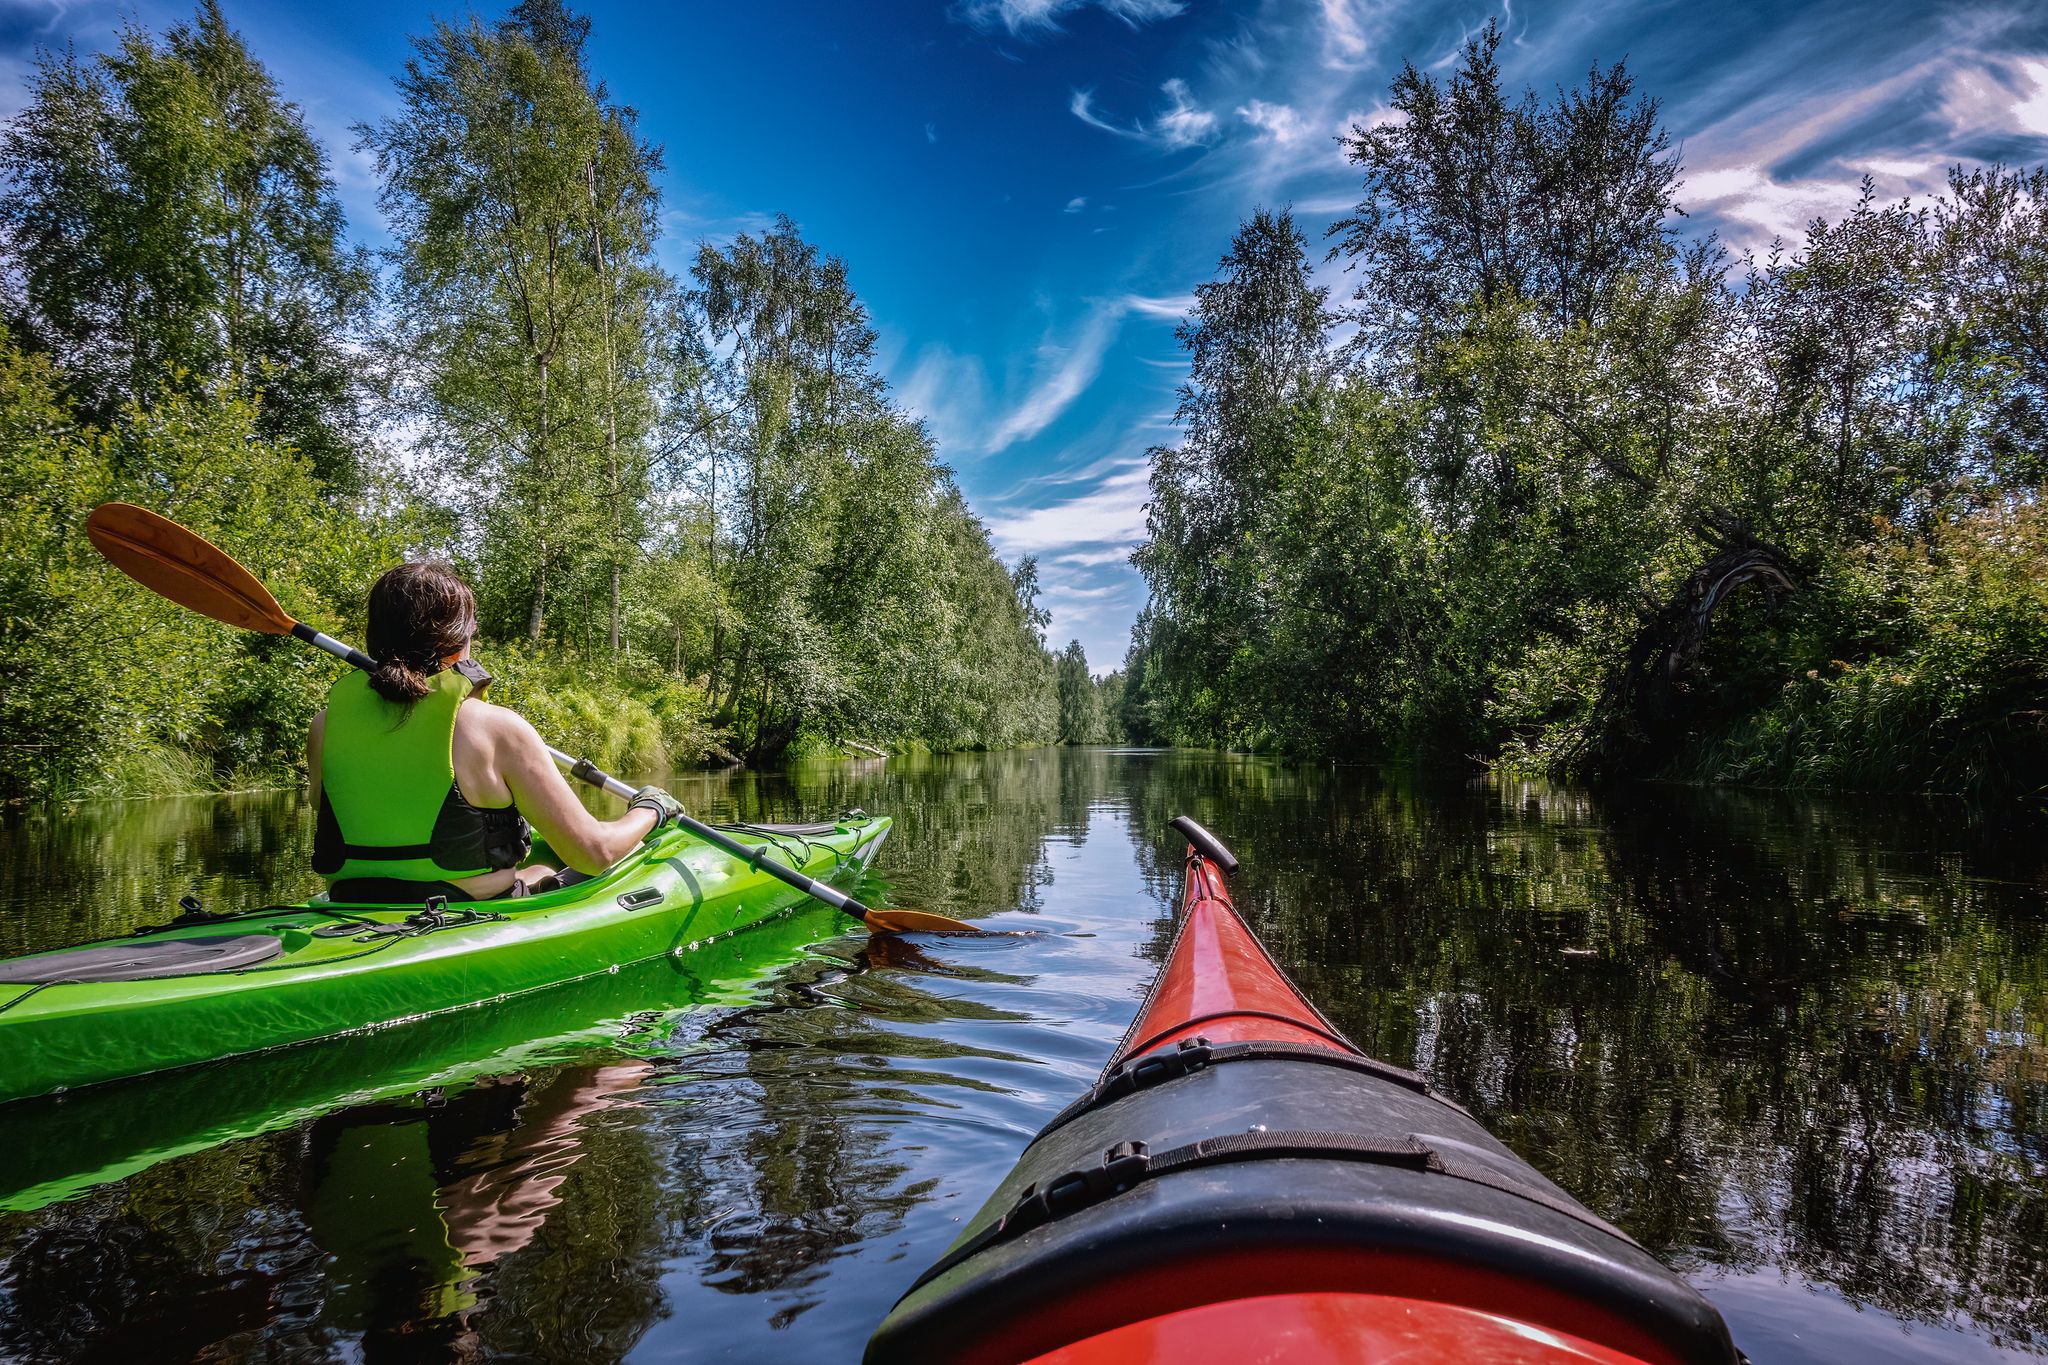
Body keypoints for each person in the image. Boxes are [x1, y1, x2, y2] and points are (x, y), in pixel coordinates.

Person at [306, 562, 682, 903]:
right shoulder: (495, 728)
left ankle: (542, 878)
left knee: (544, 860)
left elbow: (331, 808)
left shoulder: (325, 724)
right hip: (466, 906)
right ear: (459, 641)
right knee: (617, 850)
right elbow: (594, 852)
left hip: (351, 901)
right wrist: (650, 809)